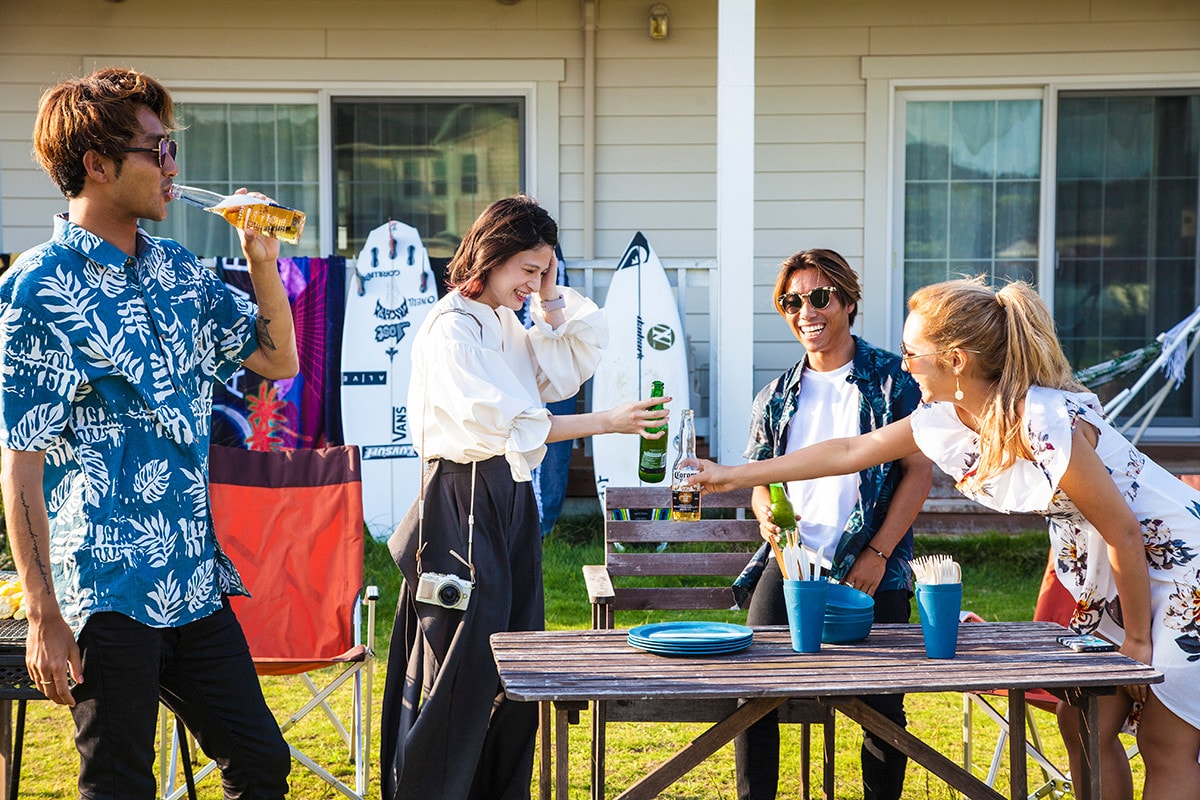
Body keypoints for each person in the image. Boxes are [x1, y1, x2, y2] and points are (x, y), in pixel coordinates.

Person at [691, 276, 1200, 800]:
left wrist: (1138, 642)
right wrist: (732, 476)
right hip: (1117, 575)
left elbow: (1123, 529)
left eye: (914, 353)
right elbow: (847, 450)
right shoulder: (948, 417)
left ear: (956, 360)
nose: (904, 363)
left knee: (1166, 742)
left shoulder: (1042, 419)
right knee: (1083, 725)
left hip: (1179, 569)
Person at [0, 68, 295, 797]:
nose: (172, 165)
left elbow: (277, 358)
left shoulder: (179, 272)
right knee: (120, 783)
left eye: (171, 148)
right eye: (155, 150)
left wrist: (264, 265)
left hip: (194, 579)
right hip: (106, 591)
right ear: (97, 165)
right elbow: (20, 466)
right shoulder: (40, 287)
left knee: (262, 763)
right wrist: (43, 615)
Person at [379, 194, 668, 800]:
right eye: (527, 271)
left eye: (545, 270)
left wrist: (550, 293)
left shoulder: (506, 321)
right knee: (459, 671)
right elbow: (511, 422)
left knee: (517, 664)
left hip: (509, 499)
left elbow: (569, 362)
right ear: (491, 257)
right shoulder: (450, 329)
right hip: (460, 504)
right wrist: (606, 423)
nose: (535, 284)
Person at [731, 249, 932, 800]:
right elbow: (762, 477)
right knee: (753, 689)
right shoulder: (775, 394)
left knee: (882, 702)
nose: (805, 311)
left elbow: (918, 472)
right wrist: (762, 506)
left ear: (847, 301)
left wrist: (880, 553)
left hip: (872, 563)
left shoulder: (894, 380)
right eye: (791, 301)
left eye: (818, 297)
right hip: (794, 562)